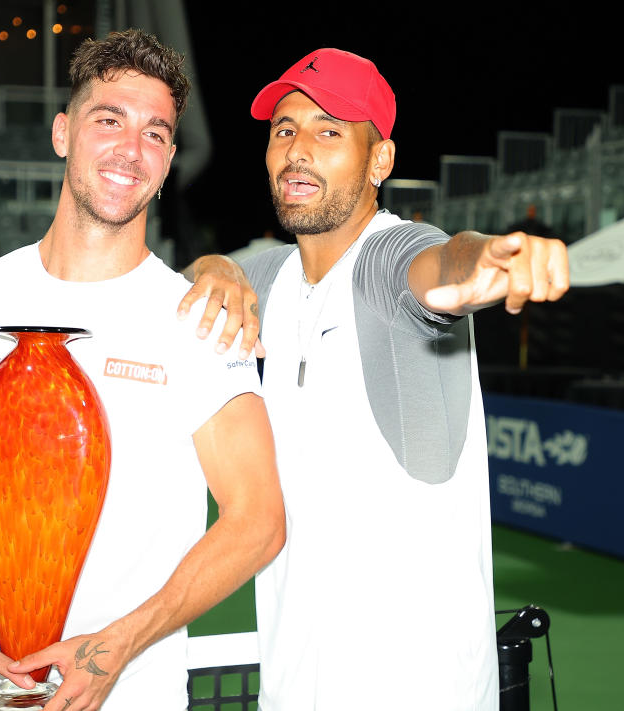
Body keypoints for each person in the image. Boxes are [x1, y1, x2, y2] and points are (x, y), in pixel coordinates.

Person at [0, 29, 285, 711]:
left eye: (155, 133)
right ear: (63, 133)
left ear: (170, 159)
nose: (131, 149)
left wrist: (116, 646)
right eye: (109, 120)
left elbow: (258, 518)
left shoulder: (201, 321)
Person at [180, 48, 569, 710]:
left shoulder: (391, 259)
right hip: (291, 686)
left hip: (417, 691)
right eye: (285, 129)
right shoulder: (270, 276)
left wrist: (486, 263)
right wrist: (213, 264)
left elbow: (443, 263)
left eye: (329, 131)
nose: (299, 148)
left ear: (380, 161)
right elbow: (195, 276)